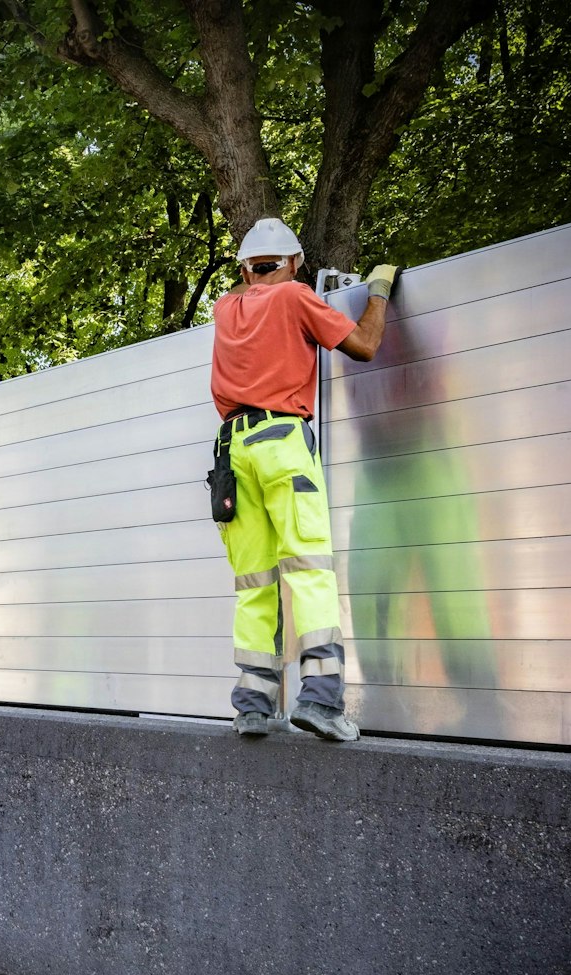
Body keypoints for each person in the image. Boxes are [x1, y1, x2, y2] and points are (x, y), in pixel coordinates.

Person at [209, 217, 394, 742]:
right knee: (309, 570)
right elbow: (363, 346)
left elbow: (251, 289)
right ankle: (320, 700)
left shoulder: (226, 309)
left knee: (254, 582)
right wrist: (376, 292)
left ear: (245, 268)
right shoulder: (294, 296)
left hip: (231, 454)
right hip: (282, 443)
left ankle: (252, 705)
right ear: (293, 264)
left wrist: (256, 274)